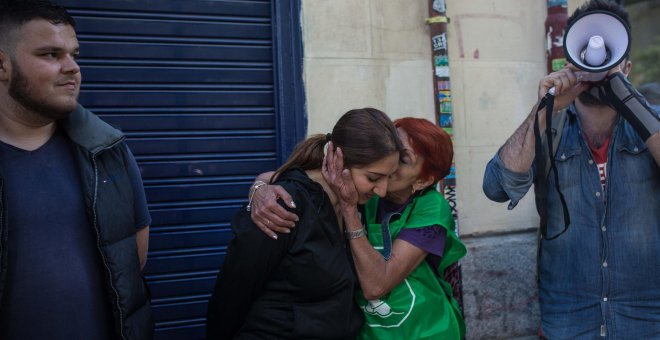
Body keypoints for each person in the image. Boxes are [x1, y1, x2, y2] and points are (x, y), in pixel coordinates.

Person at [482, 0, 660, 338]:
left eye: (611, 61)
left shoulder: (651, 122)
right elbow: (497, 188)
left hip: (647, 319)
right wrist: (544, 109)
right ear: (570, 63)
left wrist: (626, 97)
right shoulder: (552, 127)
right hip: (569, 320)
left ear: (627, 68)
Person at [0, 1, 153, 339]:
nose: (72, 68)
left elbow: (131, 260)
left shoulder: (107, 151)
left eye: (74, 54)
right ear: (2, 65)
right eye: (51, 55)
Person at [250, 117, 466, 339]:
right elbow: (286, 180)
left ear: (423, 180)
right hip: (367, 331)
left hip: (424, 329)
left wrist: (349, 210)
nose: (389, 162)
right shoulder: (365, 186)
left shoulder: (430, 207)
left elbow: (376, 285)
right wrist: (259, 189)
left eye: (402, 159)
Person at [206, 108, 402, 339]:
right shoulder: (283, 206)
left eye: (389, 177)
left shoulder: (353, 204)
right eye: (373, 178)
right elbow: (232, 293)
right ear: (338, 161)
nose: (382, 191)